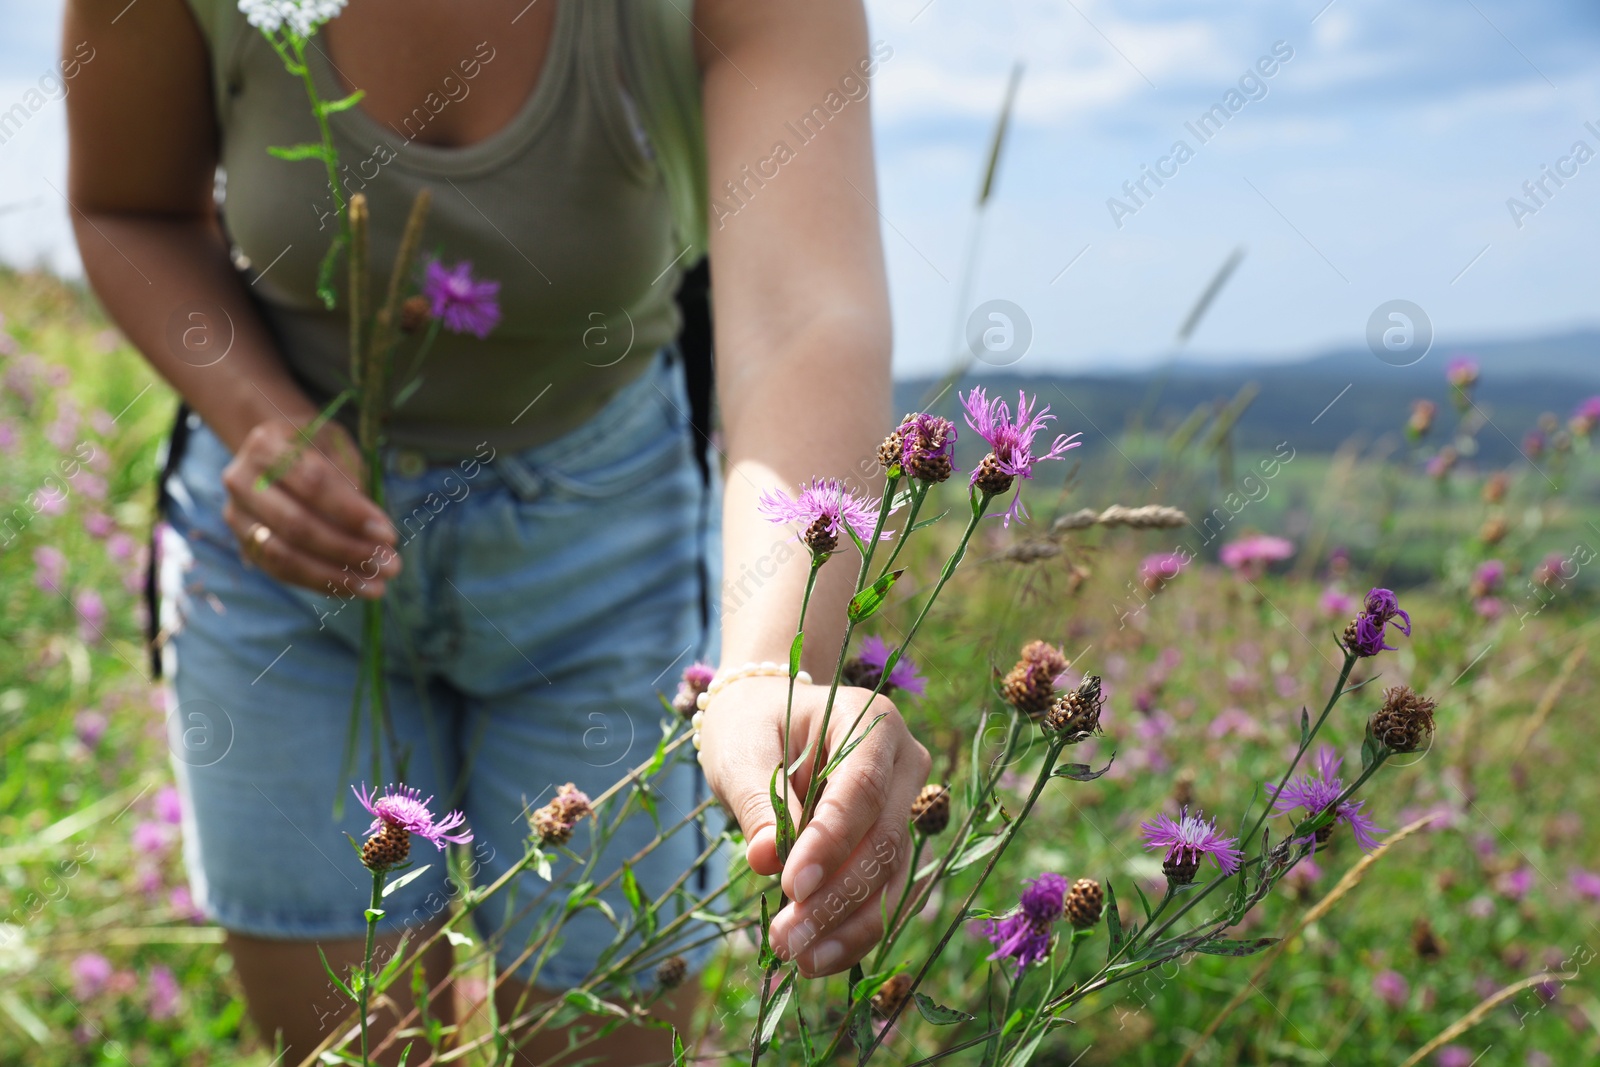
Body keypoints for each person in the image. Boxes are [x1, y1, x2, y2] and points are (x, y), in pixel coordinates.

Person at [64, 0, 930, 1062]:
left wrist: (769, 668)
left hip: (605, 541)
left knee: (594, 1029)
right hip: (279, 566)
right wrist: (259, 417)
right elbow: (129, 205)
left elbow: (803, 314)